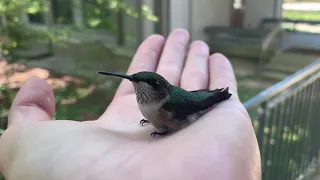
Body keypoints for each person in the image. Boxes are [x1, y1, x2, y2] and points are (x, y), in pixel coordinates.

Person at [0, 29, 261, 180]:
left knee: (209, 97)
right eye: (133, 81)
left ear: (158, 90)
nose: (132, 81)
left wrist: (209, 100)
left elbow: (189, 108)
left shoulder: (167, 104)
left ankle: (219, 95)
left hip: (190, 107)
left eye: (140, 81)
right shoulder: (146, 100)